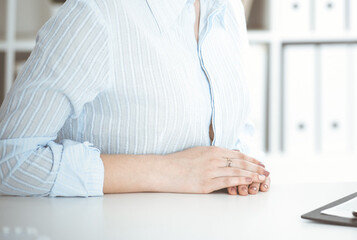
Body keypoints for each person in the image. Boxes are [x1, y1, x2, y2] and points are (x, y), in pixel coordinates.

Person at [0, 0, 270, 197]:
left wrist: (239, 171)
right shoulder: (96, 12)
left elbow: (237, 130)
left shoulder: (227, 8)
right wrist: (169, 171)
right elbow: (9, 161)